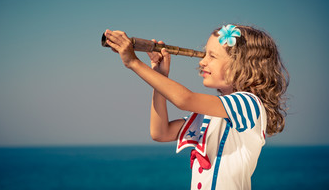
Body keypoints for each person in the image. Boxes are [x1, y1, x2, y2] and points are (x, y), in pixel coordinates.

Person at [104, 24, 289, 190]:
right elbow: (160, 132)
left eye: (212, 56)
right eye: (205, 54)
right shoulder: (211, 115)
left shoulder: (248, 104)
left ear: (241, 65)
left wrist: (134, 63)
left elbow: (184, 99)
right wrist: (160, 76)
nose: (202, 61)